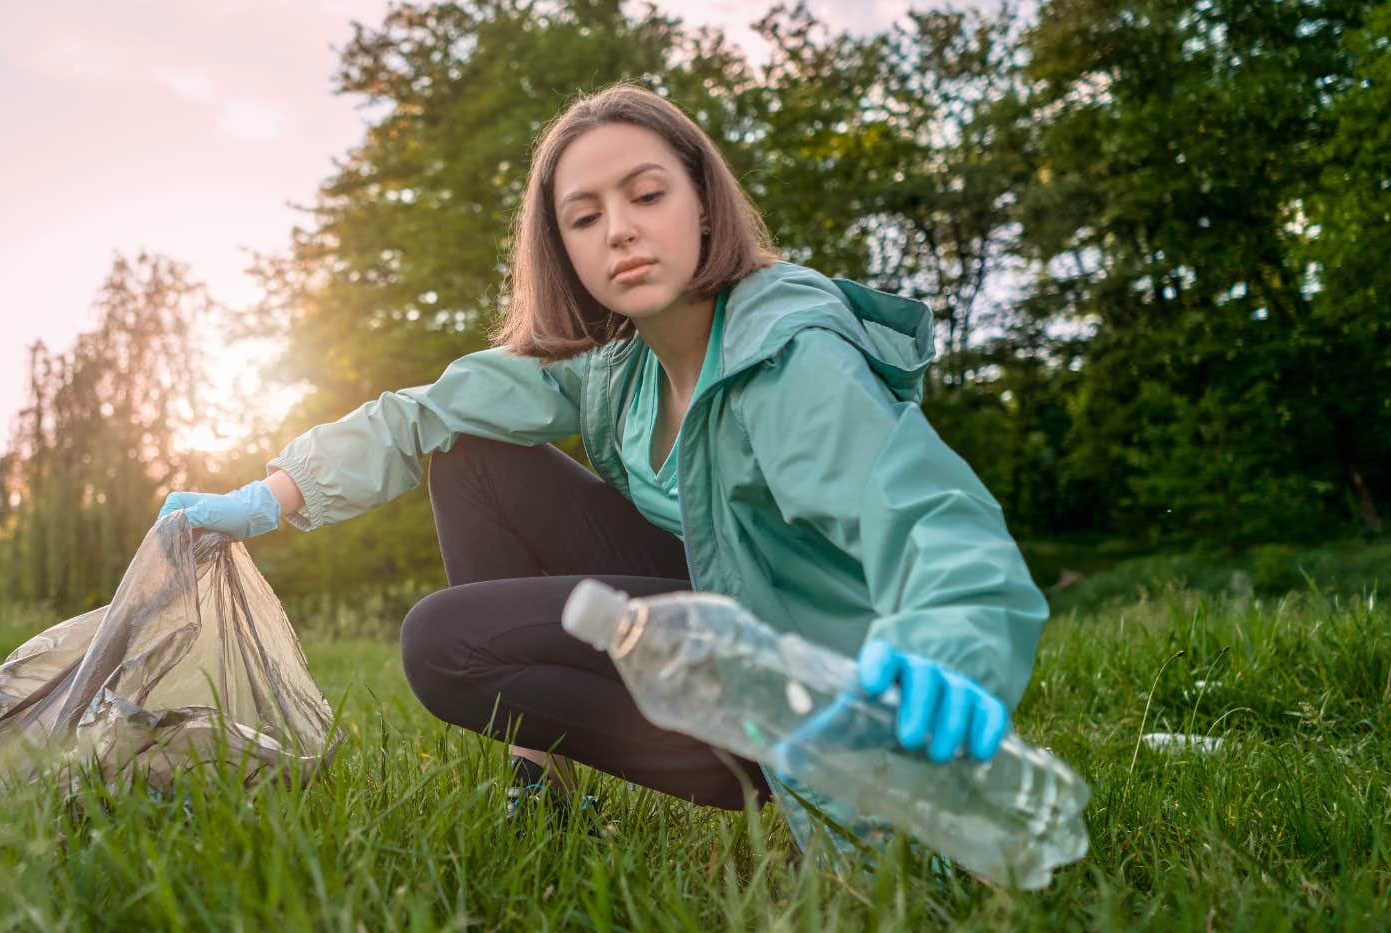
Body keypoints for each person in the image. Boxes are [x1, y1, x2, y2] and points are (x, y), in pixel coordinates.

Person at [156, 82, 1049, 852]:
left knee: (441, 644)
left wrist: (951, 647)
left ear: (702, 203)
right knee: (470, 453)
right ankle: (540, 789)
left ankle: (781, 770)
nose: (619, 231)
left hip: (812, 689)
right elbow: (428, 412)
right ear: (567, 251)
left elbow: (927, 516)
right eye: (585, 217)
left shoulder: (790, 354)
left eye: (647, 194)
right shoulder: (617, 368)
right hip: (712, 622)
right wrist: (272, 498)